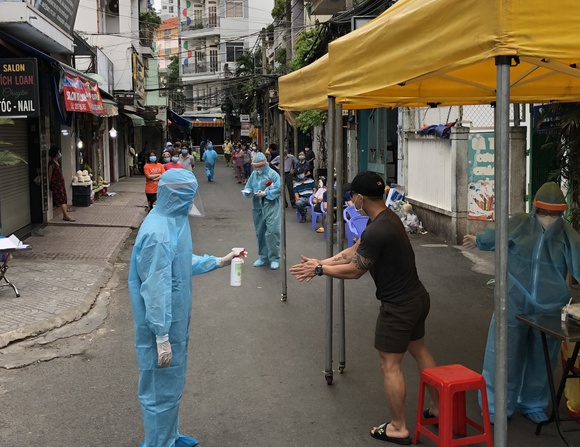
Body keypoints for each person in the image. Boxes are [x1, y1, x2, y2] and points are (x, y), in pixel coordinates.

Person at [290, 171, 438, 445]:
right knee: (419, 350)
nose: (350, 200)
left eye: (352, 196)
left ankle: (398, 427)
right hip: (417, 298)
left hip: (399, 306)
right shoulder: (386, 218)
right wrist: (320, 262)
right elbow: (353, 251)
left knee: (389, 365)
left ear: (360, 198)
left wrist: (320, 270)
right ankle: (437, 408)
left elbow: (355, 270)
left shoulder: (378, 229)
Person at [128, 168, 237, 447]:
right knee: (159, 391)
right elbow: (155, 288)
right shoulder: (158, 233)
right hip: (161, 326)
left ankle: (169, 437)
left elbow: (181, 261)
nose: (191, 203)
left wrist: (219, 261)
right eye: (188, 197)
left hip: (173, 321)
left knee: (170, 386)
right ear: (177, 197)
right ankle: (158, 443)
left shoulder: (172, 221)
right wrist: (161, 335)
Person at [463, 181, 580, 424]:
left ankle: (533, 403)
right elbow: (496, 235)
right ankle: (495, 406)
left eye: (554, 213)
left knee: (542, 358)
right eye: (544, 212)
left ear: (562, 212)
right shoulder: (520, 223)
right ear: (535, 207)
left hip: (550, 305)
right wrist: (480, 240)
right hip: (514, 299)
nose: (548, 217)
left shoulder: (568, 235)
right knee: (503, 353)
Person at [242, 152, 282, 270]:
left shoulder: (273, 174)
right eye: (255, 167)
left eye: (259, 167)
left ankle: (274, 258)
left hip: (271, 206)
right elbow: (248, 186)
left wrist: (266, 193)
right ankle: (264, 257)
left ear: (264, 164)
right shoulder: (254, 175)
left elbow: (279, 188)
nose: (257, 169)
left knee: (272, 231)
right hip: (258, 208)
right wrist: (248, 192)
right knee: (260, 232)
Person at [48, 147, 75, 222]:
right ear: (56, 154)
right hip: (56, 184)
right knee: (61, 200)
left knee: (64, 198)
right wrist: (51, 184)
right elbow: (50, 175)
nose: (59, 154)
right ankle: (66, 216)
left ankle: (64, 215)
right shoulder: (51, 163)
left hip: (60, 184)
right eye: (58, 152)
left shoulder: (57, 162)